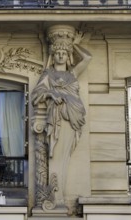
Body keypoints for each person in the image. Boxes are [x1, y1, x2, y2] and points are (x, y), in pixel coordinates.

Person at [32, 31, 91, 207]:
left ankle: (58, 197)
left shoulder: (72, 73)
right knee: (57, 156)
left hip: (73, 117)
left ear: (68, 56)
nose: (60, 55)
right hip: (57, 117)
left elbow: (87, 58)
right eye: (57, 52)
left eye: (64, 53)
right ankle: (56, 197)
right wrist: (51, 93)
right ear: (53, 54)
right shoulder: (48, 75)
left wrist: (73, 44)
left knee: (64, 155)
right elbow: (36, 94)